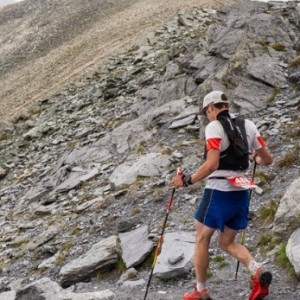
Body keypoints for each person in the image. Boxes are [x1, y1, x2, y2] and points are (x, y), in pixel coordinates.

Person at [171, 91, 273, 300]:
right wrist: (256, 159)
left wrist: (188, 180)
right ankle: (257, 271)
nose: (206, 116)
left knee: (201, 237)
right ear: (226, 105)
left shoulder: (214, 127)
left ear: (211, 108)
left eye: (206, 111)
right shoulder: (249, 125)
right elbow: (268, 159)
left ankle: (200, 291)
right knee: (226, 242)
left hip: (218, 190)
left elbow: (212, 164)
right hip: (242, 191)